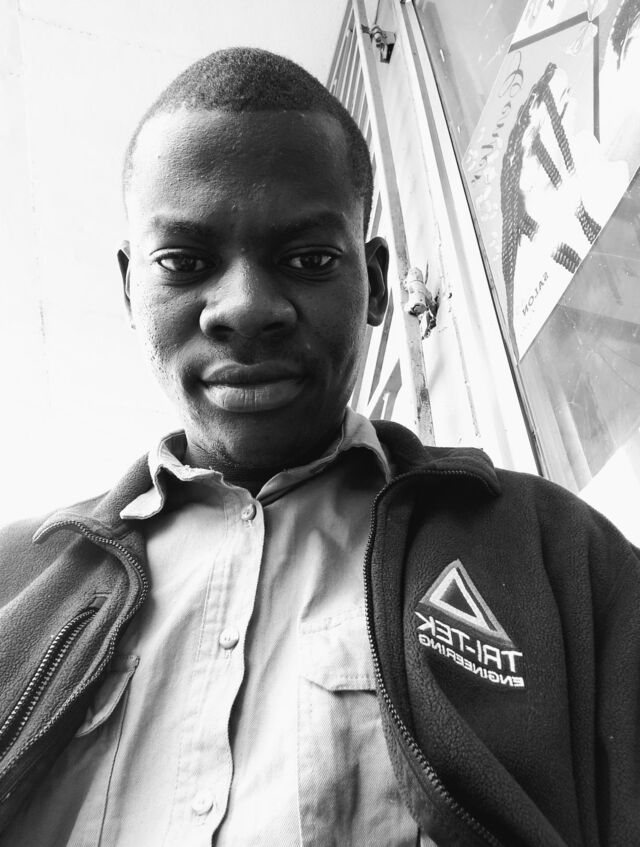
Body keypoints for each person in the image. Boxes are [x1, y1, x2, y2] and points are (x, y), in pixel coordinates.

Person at [0, 47, 638, 847]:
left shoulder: (558, 555)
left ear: (375, 283)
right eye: (185, 262)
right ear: (132, 287)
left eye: (307, 259)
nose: (245, 308)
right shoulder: (16, 577)